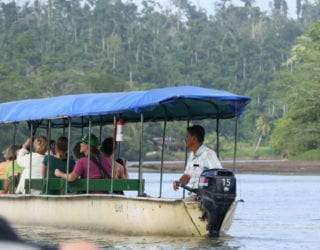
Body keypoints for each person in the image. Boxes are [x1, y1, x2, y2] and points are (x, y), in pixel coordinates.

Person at [173, 125, 222, 199]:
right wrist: (178, 182)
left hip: (205, 197)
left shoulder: (208, 154)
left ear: (194, 138)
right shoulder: (192, 155)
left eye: (187, 136)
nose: (185, 139)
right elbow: (187, 176)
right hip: (194, 196)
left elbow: (220, 175)